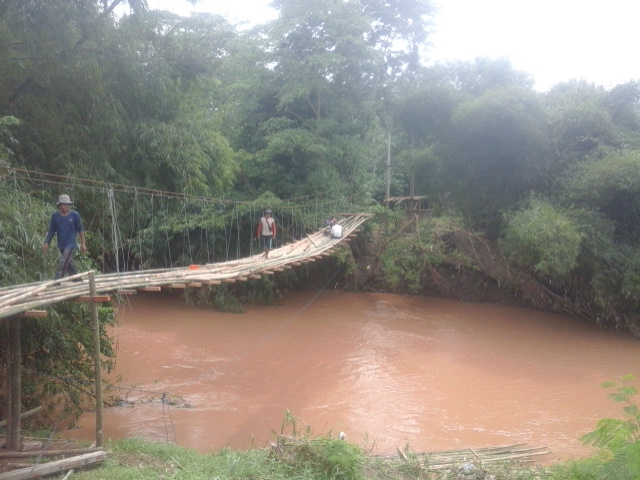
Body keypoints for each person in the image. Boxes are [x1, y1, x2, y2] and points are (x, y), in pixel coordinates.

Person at [42, 194, 87, 280]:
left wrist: (83, 243)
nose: (63, 206)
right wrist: (46, 242)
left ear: (69, 205)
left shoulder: (74, 215)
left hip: (71, 244)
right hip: (61, 244)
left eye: (65, 204)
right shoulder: (55, 216)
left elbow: (80, 229)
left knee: (62, 262)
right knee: (69, 264)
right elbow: (51, 230)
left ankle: (57, 283)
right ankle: (78, 280)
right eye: (61, 204)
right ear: (59, 205)